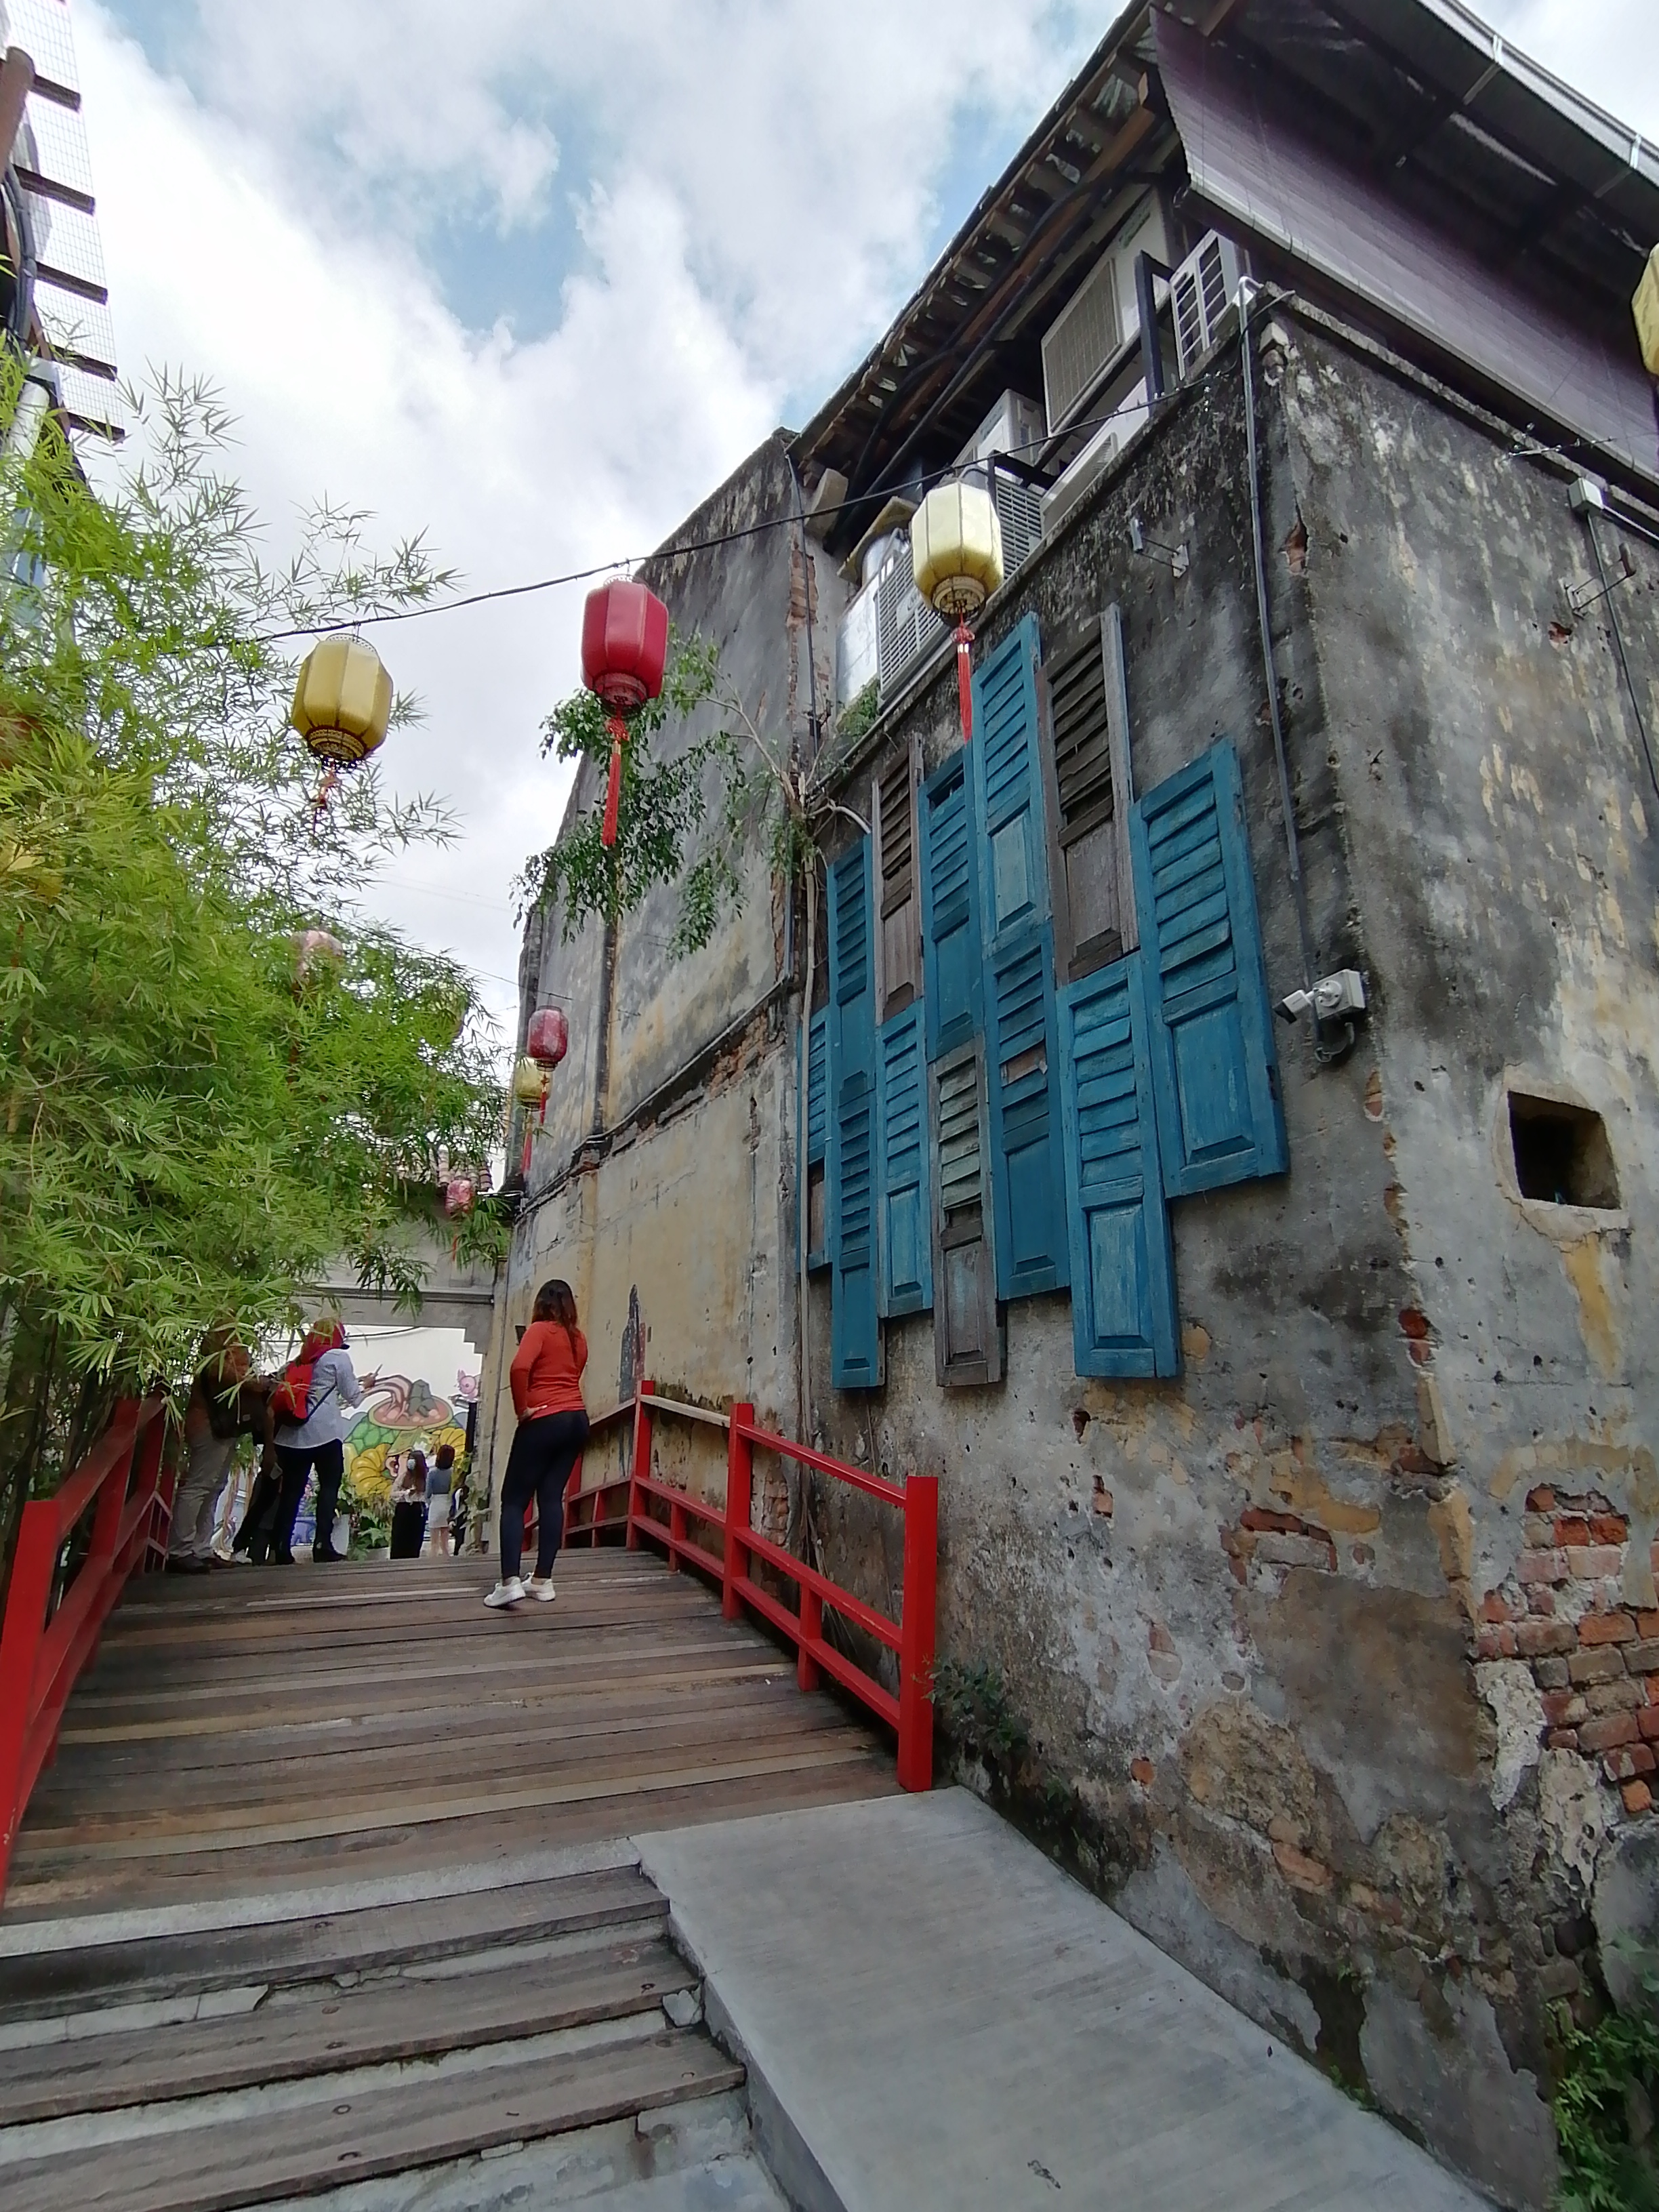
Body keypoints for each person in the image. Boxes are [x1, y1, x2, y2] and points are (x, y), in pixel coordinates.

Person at [487, 1279, 588, 1610]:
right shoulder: (578, 1338)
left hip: (544, 1419)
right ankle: (542, 1580)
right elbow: (573, 1375)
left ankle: (509, 1582)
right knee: (551, 1496)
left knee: (514, 1500)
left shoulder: (539, 1330)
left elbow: (520, 1367)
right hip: (576, 1419)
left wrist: (523, 1409)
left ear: (542, 1304)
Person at [268, 1322, 379, 1565]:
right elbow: (353, 1397)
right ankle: (322, 1545)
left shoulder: (302, 1359)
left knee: (291, 1492)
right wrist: (368, 1386)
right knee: (328, 1488)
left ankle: (281, 1547)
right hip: (325, 1435)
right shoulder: (338, 1357)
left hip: (293, 1435)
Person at [169, 1330, 264, 1572]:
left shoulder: (217, 1364)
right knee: (199, 1486)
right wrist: (257, 1379)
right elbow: (241, 1379)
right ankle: (180, 1550)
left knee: (214, 1487)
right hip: (209, 1425)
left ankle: (200, 1548)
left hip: (222, 1426)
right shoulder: (215, 1364)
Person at [389, 1450, 428, 1560]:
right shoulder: (404, 1476)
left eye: (413, 1460)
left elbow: (428, 1494)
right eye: (409, 1459)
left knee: (414, 1539)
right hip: (403, 1508)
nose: (410, 1462)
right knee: (399, 1538)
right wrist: (405, 1493)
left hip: (417, 1509)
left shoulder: (425, 1478)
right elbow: (393, 1493)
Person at [425, 1443, 456, 1558]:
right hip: (448, 1504)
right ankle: (446, 1561)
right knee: (445, 1543)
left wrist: (429, 1503)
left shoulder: (432, 1473)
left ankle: (433, 1563)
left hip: (436, 1504)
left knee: (434, 1543)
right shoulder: (453, 1473)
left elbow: (428, 1493)